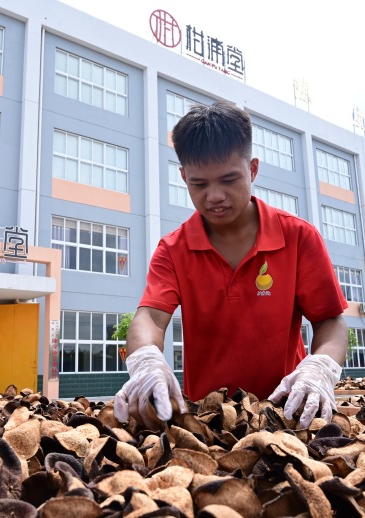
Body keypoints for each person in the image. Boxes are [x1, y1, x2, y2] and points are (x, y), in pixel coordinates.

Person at [114, 101, 348, 429]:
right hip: (205, 421)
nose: (215, 196)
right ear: (183, 176)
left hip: (284, 414)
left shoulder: (297, 237)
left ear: (252, 169)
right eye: (199, 184)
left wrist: (320, 366)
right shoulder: (174, 249)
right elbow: (150, 317)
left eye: (228, 180)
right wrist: (146, 358)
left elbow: (330, 321)